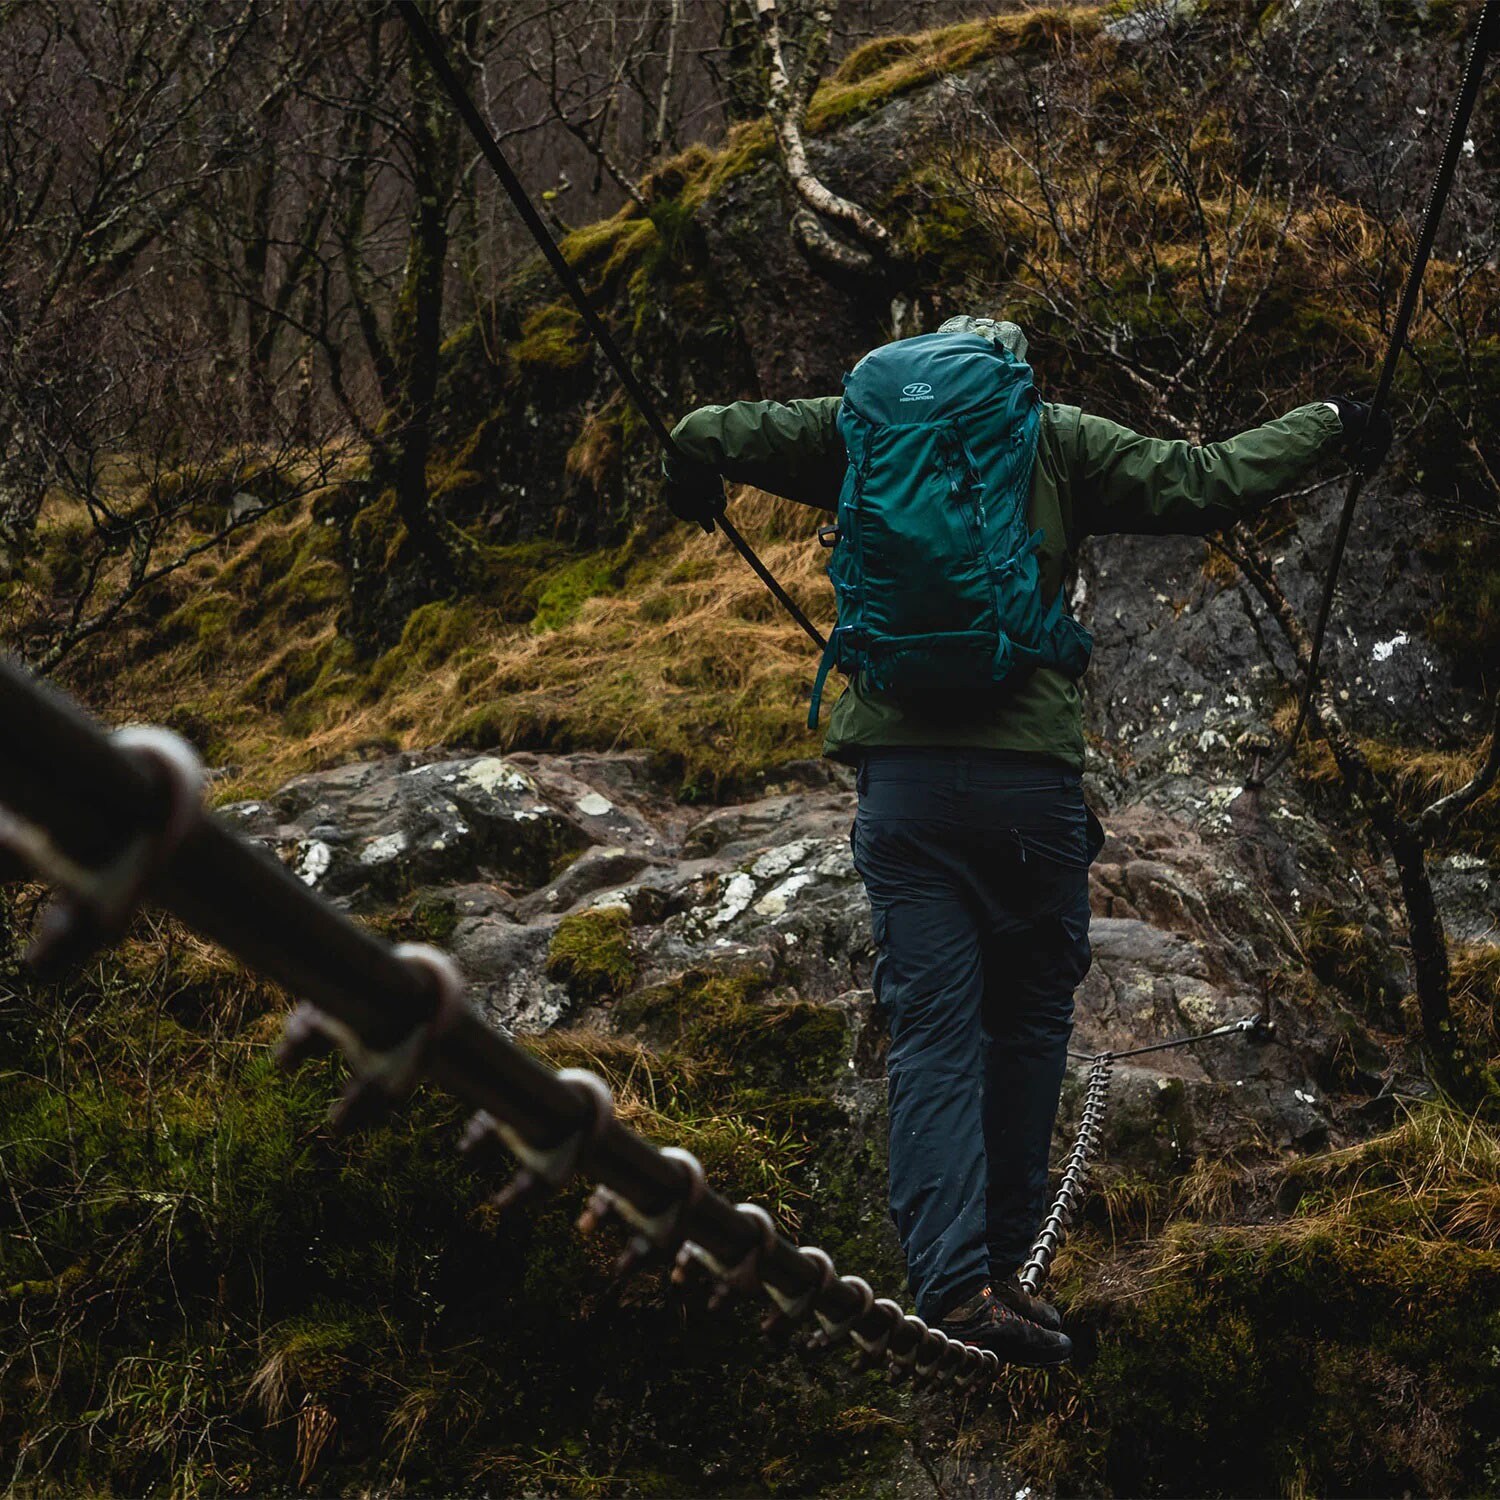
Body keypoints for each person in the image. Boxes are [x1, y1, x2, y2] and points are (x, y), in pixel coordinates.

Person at [660, 316, 1391, 1365]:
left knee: (931, 1032)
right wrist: (1331, 423)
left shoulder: (857, 431)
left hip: (903, 792)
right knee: (1028, 1023)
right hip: (1027, 790)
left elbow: (705, 430)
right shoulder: (1049, 436)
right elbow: (1208, 481)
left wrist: (695, 487)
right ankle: (1005, 1272)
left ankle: (952, 1286)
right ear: (1003, 374)